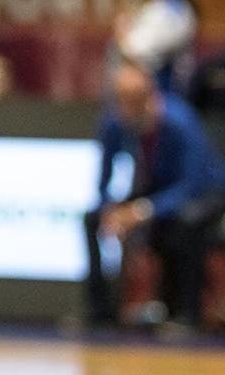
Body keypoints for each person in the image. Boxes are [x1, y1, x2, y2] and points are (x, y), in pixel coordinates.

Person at [84, 60, 225, 331]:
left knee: (187, 221)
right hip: (156, 189)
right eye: (120, 99)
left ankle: (187, 314)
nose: (125, 108)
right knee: (92, 219)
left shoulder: (179, 121)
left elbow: (192, 184)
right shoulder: (114, 123)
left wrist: (141, 211)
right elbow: (104, 174)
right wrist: (107, 208)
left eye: (132, 100)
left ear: (149, 97)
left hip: (206, 192)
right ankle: (100, 312)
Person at [113, 0, 197, 94]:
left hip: (161, 98)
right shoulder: (150, 7)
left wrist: (121, 27)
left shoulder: (171, 10)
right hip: (135, 100)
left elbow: (135, 52)